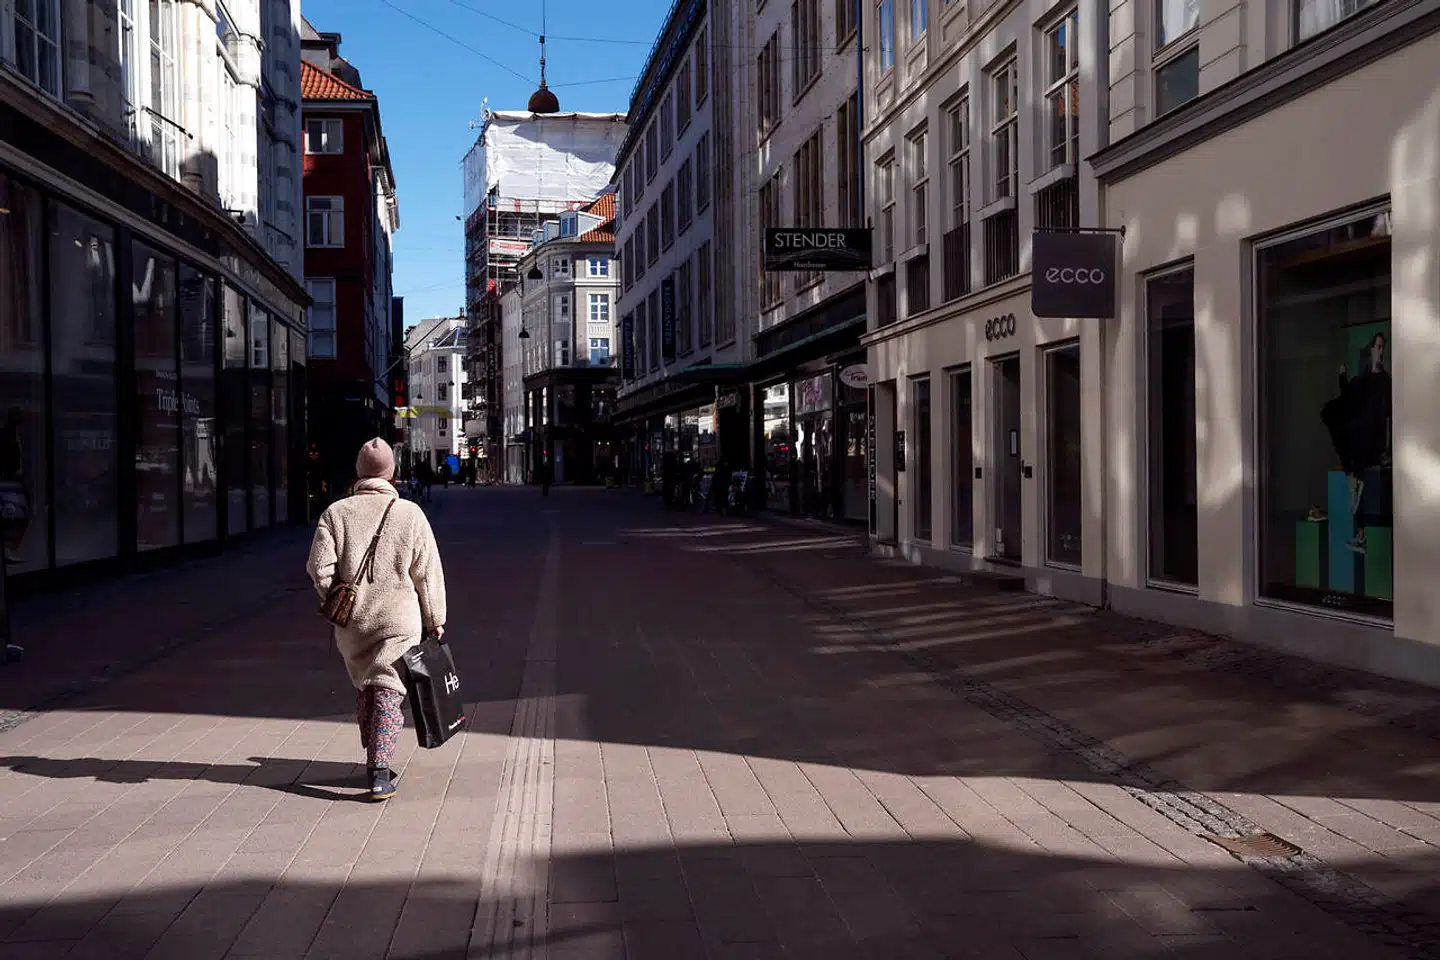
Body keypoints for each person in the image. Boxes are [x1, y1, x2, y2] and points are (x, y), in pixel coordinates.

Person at [306, 438, 447, 801]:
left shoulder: (335, 514)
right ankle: (380, 771)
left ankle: (374, 750)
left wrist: (336, 600)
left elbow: (318, 569)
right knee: (388, 688)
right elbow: (427, 575)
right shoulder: (410, 514)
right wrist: (435, 619)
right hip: (399, 620)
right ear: (392, 473)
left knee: (371, 682)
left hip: (353, 623)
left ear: (359, 472)